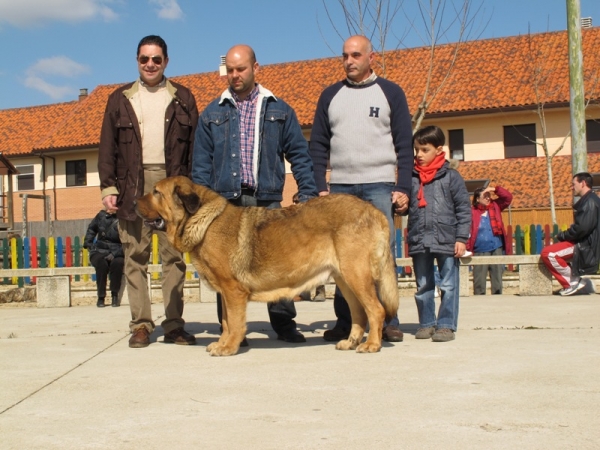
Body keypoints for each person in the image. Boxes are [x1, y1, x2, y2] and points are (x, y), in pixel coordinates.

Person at [192, 44, 318, 345]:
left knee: (278, 263)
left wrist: (309, 192)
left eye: (241, 69)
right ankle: (232, 331)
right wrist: (204, 210)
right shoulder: (211, 113)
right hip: (227, 204)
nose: (235, 75)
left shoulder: (279, 109)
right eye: (230, 70)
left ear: (255, 68)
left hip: (267, 199)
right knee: (227, 271)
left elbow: (299, 154)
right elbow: (200, 168)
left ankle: (284, 324)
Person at [310, 35, 413, 343]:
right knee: (340, 258)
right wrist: (321, 187)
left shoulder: (391, 93)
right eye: (345, 56)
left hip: (379, 185)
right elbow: (317, 145)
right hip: (340, 187)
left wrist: (403, 185)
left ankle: (387, 319)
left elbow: (404, 144)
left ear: (371, 57)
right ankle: (346, 322)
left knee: (380, 254)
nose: (349, 61)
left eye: (355, 55)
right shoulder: (330, 96)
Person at [98, 35, 199, 348]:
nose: (150, 64)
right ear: (137, 61)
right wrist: (109, 187)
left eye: (156, 59)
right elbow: (107, 147)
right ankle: (141, 325)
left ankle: (173, 326)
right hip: (133, 185)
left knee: (175, 260)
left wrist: (191, 192)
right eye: (145, 59)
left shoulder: (183, 97)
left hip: (171, 187)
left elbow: (195, 148)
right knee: (134, 257)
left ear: (166, 61)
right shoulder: (120, 99)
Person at [398, 125, 471, 342]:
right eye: (416, 150)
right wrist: (399, 206)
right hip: (420, 238)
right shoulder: (410, 178)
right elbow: (404, 205)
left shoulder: (451, 177)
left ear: (439, 150)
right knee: (423, 284)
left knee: (448, 284)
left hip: (447, 239)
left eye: (424, 150)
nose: (419, 155)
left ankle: (446, 325)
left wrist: (461, 238)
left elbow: (463, 209)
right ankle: (427, 323)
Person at [540, 172, 600, 296]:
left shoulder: (590, 202)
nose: (572, 187)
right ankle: (577, 282)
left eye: (574, 184)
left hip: (585, 244)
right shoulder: (590, 200)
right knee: (550, 252)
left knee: (549, 253)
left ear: (583, 183)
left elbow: (582, 228)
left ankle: (573, 282)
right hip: (585, 241)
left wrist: (563, 235)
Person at [466, 185, 513, 295]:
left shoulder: (495, 206)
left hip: (496, 248)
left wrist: (494, 189)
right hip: (480, 250)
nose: (488, 198)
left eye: (489, 196)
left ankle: (497, 299)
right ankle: (479, 301)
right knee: (479, 280)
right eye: (485, 196)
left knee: (497, 278)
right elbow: (467, 230)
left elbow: (508, 198)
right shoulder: (472, 212)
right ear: (477, 199)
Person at [84, 208, 124, 308]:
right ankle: (101, 296)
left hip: (117, 250)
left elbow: (129, 241)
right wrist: (89, 243)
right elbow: (92, 229)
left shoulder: (123, 217)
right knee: (101, 264)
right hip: (99, 249)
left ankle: (115, 295)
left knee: (118, 263)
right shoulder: (100, 216)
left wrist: (115, 253)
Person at [292, 192, 326, 302]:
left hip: (316, 246)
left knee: (319, 267)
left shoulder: (314, 215)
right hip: (301, 247)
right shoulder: (294, 216)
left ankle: (320, 292)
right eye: (294, 201)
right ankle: (304, 294)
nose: (295, 203)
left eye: (297, 201)